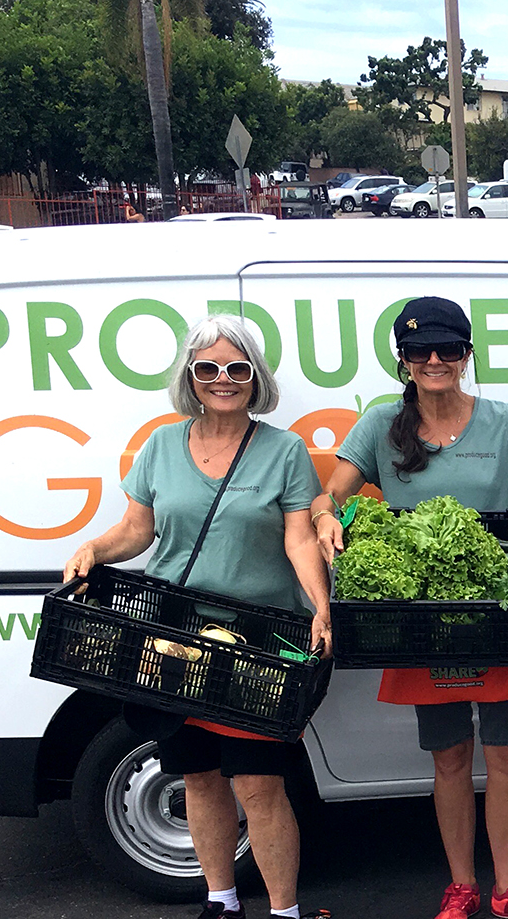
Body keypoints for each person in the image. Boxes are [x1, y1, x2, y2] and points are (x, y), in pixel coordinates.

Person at [312, 297, 508, 919]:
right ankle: (462, 886)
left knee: (507, 755)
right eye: (420, 350)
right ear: (405, 359)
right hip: (422, 620)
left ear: (468, 355)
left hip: (500, 611)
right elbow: (325, 498)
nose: (435, 360)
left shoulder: (507, 423)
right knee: (448, 757)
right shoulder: (379, 425)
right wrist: (327, 519)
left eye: (448, 349)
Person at [62, 315, 332, 919]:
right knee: (198, 776)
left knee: (259, 784)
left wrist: (320, 605)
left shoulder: (283, 450)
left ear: (255, 377)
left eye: (237, 368)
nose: (223, 380)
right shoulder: (161, 444)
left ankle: (284, 911)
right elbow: (137, 530)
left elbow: (298, 539)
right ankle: (221, 900)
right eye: (208, 368)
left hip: (257, 642)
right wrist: (92, 550)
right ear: (191, 376)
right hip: (174, 636)